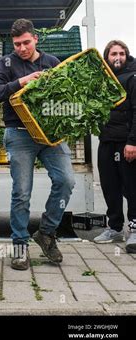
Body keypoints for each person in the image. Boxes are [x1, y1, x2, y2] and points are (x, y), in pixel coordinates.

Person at [0, 19, 75, 270]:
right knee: (22, 193)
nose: (21, 48)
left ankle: (46, 232)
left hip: (50, 134)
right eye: (17, 44)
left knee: (66, 180)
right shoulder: (5, 64)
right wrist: (22, 81)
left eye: (26, 42)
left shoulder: (52, 62)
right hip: (19, 134)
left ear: (36, 39)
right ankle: (19, 246)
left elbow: (67, 94)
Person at [94, 40, 136, 253]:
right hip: (106, 141)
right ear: (107, 57)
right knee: (109, 185)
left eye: (121, 53)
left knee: (131, 186)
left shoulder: (133, 77)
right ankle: (114, 228)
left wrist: (132, 142)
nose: (117, 57)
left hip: (126, 142)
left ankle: (135, 229)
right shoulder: (103, 79)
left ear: (126, 55)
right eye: (113, 54)